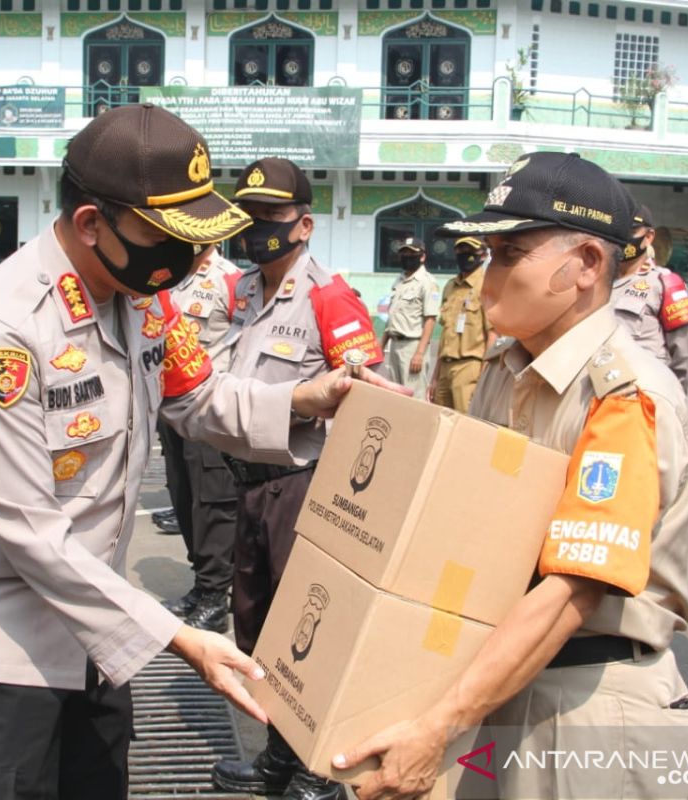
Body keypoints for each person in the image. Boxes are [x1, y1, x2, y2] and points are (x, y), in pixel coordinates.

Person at [0, 105, 396, 800]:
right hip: (0, 656)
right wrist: (178, 637)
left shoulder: (142, 300)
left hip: (95, 642)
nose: (192, 258)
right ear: (90, 224)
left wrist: (306, 400)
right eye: (169, 235)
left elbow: (200, 397)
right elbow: (29, 532)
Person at [334, 153, 688, 799]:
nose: (485, 276)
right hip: (504, 682)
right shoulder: (509, 369)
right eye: (486, 255)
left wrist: (438, 725)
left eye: (510, 254)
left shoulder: (623, 399)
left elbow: (573, 591)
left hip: (589, 708)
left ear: (587, 264)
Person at [209, 157, 384, 800]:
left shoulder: (329, 298)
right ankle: (278, 757)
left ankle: (320, 766)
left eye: (269, 220)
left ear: (304, 225)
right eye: (247, 218)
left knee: (307, 633)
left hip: (301, 485)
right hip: (248, 485)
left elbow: (368, 400)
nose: (255, 230)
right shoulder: (242, 291)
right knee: (255, 626)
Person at [160, 246, 243, 632]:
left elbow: (246, 343)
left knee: (213, 501)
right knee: (184, 496)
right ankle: (201, 582)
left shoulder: (230, 279)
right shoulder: (170, 274)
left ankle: (215, 594)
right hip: (171, 405)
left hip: (210, 405)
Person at [610, 205, 688, 391]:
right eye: (619, 231)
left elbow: (687, 355)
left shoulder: (664, 284)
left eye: (632, 231)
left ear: (649, 237)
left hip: (643, 397)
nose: (625, 238)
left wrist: (670, 397)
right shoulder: (596, 281)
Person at [428, 235, 493, 412]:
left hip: (470, 366)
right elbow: (445, 334)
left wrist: (484, 376)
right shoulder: (450, 286)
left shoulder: (487, 285)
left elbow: (492, 335)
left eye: (470, 251)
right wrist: (435, 377)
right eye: (461, 251)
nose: (465, 255)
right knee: (441, 421)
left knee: (466, 423)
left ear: (483, 255)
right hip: (445, 367)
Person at [381, 237, 440, 396]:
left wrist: (419, 353)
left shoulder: (427, 282)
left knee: (413, 397)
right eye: (404, 253)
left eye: (412, 253)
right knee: (395, 395)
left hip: (412, 346)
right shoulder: (399, 280)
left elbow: (430, 319)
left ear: (422, 257)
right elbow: (392, 316)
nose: (407, 257)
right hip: (395, 345)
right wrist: (381, 344)